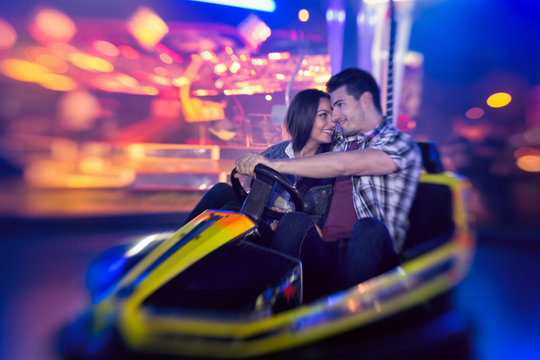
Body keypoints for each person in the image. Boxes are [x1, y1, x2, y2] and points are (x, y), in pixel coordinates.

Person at [235, 68, 422, 301]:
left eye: (340, 105)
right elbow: (305, 142)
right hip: (327, 249)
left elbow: (345, 164)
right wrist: (251, 167)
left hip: (375, 252)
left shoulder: (399, 143)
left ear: (365, 100)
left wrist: (275, 164)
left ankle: (345, 313)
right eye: (331, 110)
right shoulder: (341, 140)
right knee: (295, 221)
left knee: (369, 227)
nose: (335, 116)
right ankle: (269, 305)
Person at [183, 89, 335, 231]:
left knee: (288, 223)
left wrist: (284, 219)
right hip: (264, 225)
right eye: (323, 115)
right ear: (304, 116)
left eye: (332, 115)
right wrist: (248, 170)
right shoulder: (278, 151)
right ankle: (179, 246)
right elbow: (248, 183)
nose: (333, 122)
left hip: (296, 235)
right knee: (222, 191)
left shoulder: (332, 163)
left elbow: (322, 223)